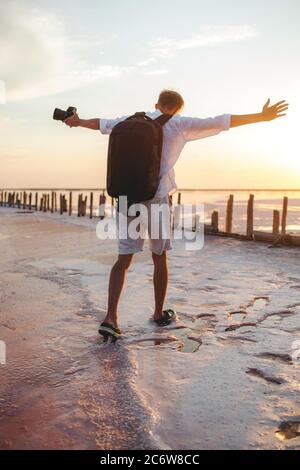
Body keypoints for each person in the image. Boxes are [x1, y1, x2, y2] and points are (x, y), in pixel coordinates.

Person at [64, 90, 288, 340]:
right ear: (179, 108)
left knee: (123, 260)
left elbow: (99, 124)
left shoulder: (129, 121)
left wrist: (77, 120)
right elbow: (222, 121)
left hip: (127, 198)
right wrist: (261, 116)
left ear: (156, 104)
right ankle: (159, 312)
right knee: (159, 257)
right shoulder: (180, 124)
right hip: (158, 199)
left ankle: (110, 318)